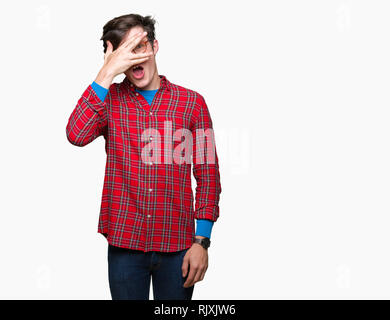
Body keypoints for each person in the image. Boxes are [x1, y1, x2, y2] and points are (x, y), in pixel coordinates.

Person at [65, 13, 221, 300]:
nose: (133, 58)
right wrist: (106, 73)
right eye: (124, 51)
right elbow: (76, 134)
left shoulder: (193, 103)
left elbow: (208, 175)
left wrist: (202, 241)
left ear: (155, 46)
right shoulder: (108, 100)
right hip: (125, 246)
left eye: (138, 47)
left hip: (179, 247)